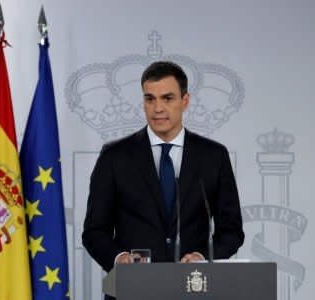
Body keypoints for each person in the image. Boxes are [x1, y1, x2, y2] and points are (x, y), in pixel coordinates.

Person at [82, 61, 244, 288]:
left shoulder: (213, 156)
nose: (158, 108)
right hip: (134, 289)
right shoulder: (115, 157)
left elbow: (232, 231)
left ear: (185, 101)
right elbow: (94, 231)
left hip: (193, 288)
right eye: (150, 99)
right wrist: (119, 259)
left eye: (167, 99)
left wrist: (204, 257)